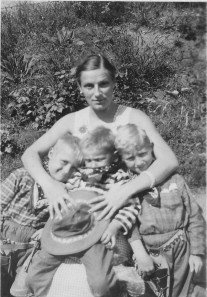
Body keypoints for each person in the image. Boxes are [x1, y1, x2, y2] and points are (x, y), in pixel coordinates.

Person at [21, 54, 178, 221]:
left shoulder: (133, 117)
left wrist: (125, 191)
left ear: (113, 83)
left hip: (127, 209)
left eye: (103, 84)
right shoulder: (71, 121)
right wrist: (50, 185)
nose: (97, 93)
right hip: (81, 209)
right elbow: (30, 153)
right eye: (89, 86)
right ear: (80, 87)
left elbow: (169, 160)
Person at [26, 126, 142, 297]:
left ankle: (114, 290)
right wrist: (50, 228)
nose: (93, 166)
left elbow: (131, 207)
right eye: (88, 161)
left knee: (100, 283)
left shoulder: (119, 180)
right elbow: (63, 205)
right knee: (34, 276)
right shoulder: (77, 177)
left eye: (99, 160)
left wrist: (114, 227)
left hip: (95, 236)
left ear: (114, 157)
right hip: (66, 234)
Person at [114, 123, 205, 297]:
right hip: (149, 254)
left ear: (151, 149)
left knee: (188, 293)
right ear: (122, 158)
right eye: (131, 158)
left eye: (142, 154)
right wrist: (140, 255)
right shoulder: (127, 187)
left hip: (182, 250)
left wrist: (197, 252)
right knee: (154, 294)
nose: (139, 162)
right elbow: (128, 225)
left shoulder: (175, 180)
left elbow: (195, 216)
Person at [0, 133, 82, 296]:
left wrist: (47, 230)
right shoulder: (22, 176)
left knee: (24, 289)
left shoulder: (67, 192)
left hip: (32, 248)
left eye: (73, 167)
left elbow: (64, 222)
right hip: (3, 238)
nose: (66, 171)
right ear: (51, 154)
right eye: (64, 162)